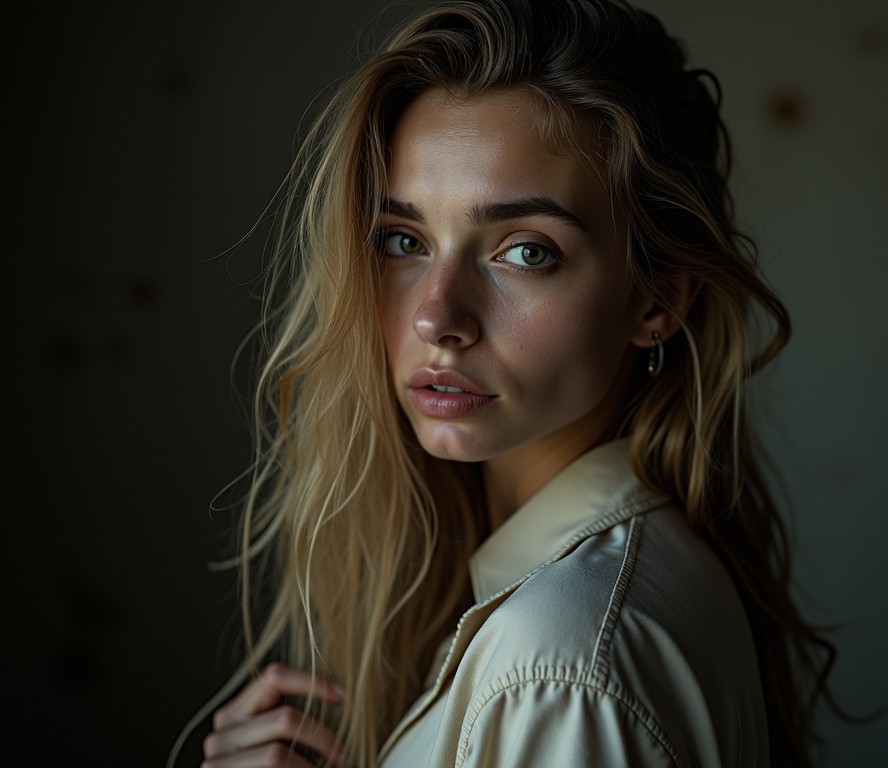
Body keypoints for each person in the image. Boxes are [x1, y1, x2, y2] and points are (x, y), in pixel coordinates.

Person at [172, 0, 841, 765]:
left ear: (659, 300)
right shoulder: (600, 589)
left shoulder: (556, 669)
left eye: (525, 252)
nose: (436, 317)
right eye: (404, 240)